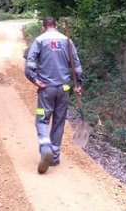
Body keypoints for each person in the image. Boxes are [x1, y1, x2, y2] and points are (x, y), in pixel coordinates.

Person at [24, 16, 83, 174]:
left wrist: (34, 79)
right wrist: (78, 85)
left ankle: (45, 149)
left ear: (44, 27)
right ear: (56, 26)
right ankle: (55, 156)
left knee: (41, 120)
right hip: (63, 89)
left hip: (46, 89)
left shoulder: (39, 40)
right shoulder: (67, 41)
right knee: (59, 121)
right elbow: (76, 66)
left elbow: (30, 64)